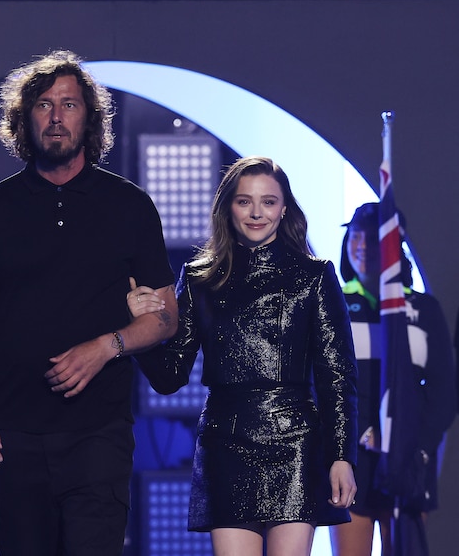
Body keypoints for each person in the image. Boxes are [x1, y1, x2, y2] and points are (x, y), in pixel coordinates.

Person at [0, 50, 178, 556]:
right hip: (16, 434)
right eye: (45, 105)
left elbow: (166, 317)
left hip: (99, 433)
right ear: (24, 119)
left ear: (88, 118)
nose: (56, 117)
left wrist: (106, 346)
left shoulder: (129, 206)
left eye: (69, 104)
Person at [129, 156, 358, 556]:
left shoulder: (315, 276)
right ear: (227, 207)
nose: (256, 213)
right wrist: (140, 330)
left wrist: (341, 457)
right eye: (244, 201)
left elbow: (337, 376)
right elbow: (170, 377)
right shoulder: (201, 278)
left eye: (268, 202)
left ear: (284, 208)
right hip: (226, 442)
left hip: (296, 440)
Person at [328, 202, 457, 556]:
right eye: (355, 237)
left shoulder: (423, 310)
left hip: (406, 461)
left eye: (374, 239)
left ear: (395, 245)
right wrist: (349, 443)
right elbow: (323, 386)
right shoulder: (332, 305)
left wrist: (412, 444)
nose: (362, 247)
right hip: (351, 462)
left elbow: (444, 395)